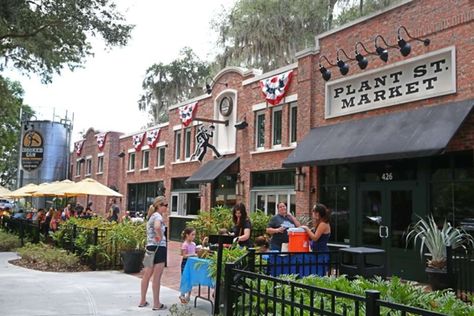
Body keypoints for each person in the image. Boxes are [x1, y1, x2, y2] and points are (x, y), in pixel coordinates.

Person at [138, 196, 168, 311]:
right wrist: (160, 236)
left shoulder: (151, 216)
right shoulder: (158, 216)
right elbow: (157, 227)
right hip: (159, 248)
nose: (166, 208)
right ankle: (156, 303)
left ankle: (142, 300)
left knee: (146, 275)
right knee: (157, 277)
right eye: (165, 205)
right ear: (159, 205)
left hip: (149, 247)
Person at [301, 203, 331, 276]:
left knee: (318, 275)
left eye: (314, 211)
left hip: (321, 254)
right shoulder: (320, 223)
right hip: (317, 253)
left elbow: (315, 238)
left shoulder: (323, 224)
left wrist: (306, 228)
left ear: (318, 213)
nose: (312, 213)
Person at [179, 227, 197, 304]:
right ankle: (182, 294)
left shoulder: (194, 244)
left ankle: (188, 295)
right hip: (186, 263)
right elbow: (184, 255)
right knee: (185, 278)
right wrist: (193, 254)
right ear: (187, 235)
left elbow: (195, 252)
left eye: (194, 235)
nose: (194, 236)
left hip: (192, 263)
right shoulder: (185, 244)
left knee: (191, 279)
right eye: (192, 235)